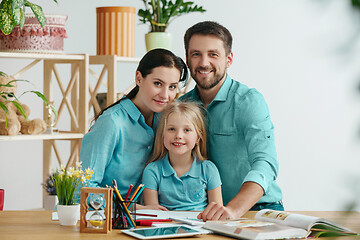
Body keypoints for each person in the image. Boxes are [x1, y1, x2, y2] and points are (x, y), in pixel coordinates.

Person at [180, 21, 283, 220]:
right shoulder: (182, 106)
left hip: (259, 208)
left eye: (213, 54)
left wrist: (234, 209)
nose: (203, 63)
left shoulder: (249, 101)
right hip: (203, 213)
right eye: (196, 54)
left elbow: (265, 163)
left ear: (229, 59)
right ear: (187, 60)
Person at [79, 48, 188, 209]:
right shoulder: (112, 122)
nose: (165, 95)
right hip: (102, 220)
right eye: (158, 84)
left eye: (172, 87)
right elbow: (85, 189)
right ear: (139, 78)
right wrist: (134, 209)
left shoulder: (167, 121)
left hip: (147, 219)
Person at [142, 101, 222, 211]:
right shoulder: (152, 171)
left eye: (187, 130)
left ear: (198, 138)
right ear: (162, 135)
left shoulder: (209, 169)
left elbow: (217, 213)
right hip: (165, 226)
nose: (178, 136)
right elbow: (153, 214)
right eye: (171, 129)